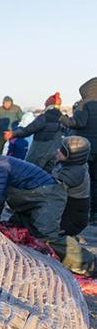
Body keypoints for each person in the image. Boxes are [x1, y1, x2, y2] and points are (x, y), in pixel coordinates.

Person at [0, 140, 96, 276]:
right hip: (33, 202)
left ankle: (89, 264)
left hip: (47, 199)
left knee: (47, 235)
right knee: (17, 225)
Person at [60, 77, 97, 223]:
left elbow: (78, 122)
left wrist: (62, 119)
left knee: (85, 181)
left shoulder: (84, 104)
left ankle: (85, 212)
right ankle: (95, 213)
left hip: (86, 149)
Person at [4, 92, 64, 171]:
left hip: (39, 151)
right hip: (55, 152)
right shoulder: (63, 119)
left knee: (31, 171)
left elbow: (28, 130)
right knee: (49, 175)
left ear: (48, 106)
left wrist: (13, 134)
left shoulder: (44, 117)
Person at [53, 136, 91, 236]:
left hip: (70, 221)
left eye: (62, 150)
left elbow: (50, 191)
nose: (58, 151)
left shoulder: (74, 173)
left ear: (72, 155)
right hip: (71, 215)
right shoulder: (74, 165)